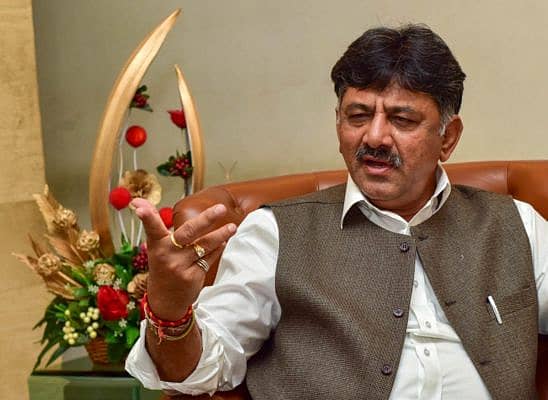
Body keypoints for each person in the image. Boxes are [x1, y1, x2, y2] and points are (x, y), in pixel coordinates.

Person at [126, 24, 548, 399]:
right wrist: (170, 312)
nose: (375, 137)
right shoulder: (274, 232)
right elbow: (197, 373)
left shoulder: (517, 225)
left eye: (402, 119)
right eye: (358, 116)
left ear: (448, 138)